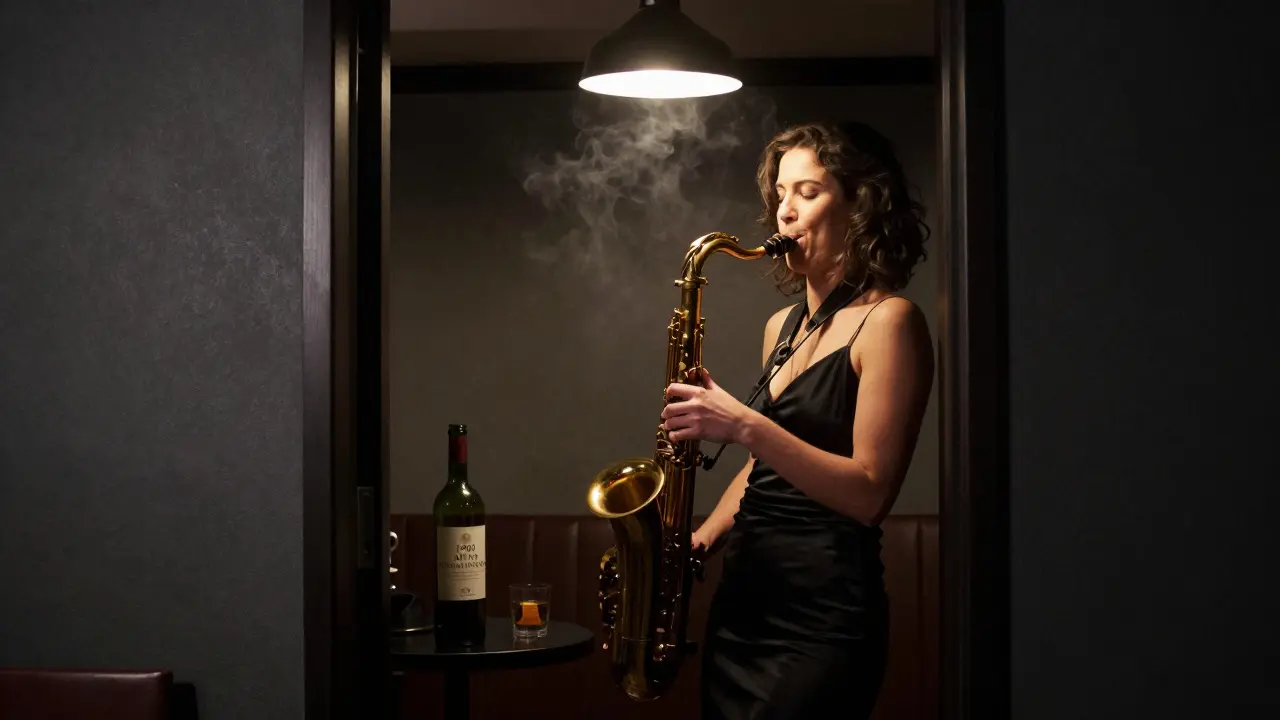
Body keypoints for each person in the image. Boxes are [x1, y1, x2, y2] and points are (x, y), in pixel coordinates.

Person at [660, 120, 935, 719]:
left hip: (823, 615)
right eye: (779, 194)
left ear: (861, 202)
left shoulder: (891, 322)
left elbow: (868, 494)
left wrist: (742, 423)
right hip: (745, 602)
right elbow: (769, 461)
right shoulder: (780, 328)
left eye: (807, 192)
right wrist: (702, 538)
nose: (784, 212)